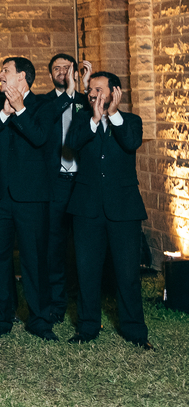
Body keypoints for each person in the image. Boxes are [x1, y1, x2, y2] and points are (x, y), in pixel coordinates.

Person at [66, 72, 151, 349]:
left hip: (123, 210)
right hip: (86, 209)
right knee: (87, 272)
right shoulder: (81, 120)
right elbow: (72, 147)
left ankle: (135, 331)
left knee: (127, 275)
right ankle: (87, 327)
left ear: (114, 92)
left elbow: (131, 143)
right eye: (90, 89)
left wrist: (113, 114)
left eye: (98, 89)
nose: (92, 93)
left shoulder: (131, 121)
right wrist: (94, 118)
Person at [0, 56, 58, 340]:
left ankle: (39, 319)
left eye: (5, 71)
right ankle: (1, 319)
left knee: (34, 259)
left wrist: (20, 110)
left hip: (32, 198)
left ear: (22, 77)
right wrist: (3, 113)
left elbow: (40, 138)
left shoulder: (44, 107)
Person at [41, 53, 91, 324]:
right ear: (50, 75)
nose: (61, 72)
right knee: (55, 246)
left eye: (66, 68)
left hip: (83, 184)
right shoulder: (43, 103)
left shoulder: (86, 101)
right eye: (56, 69)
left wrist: (82, 89)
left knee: (85, 247)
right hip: (56, 183)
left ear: (74, 71)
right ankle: (57, 304)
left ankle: (86, 305)